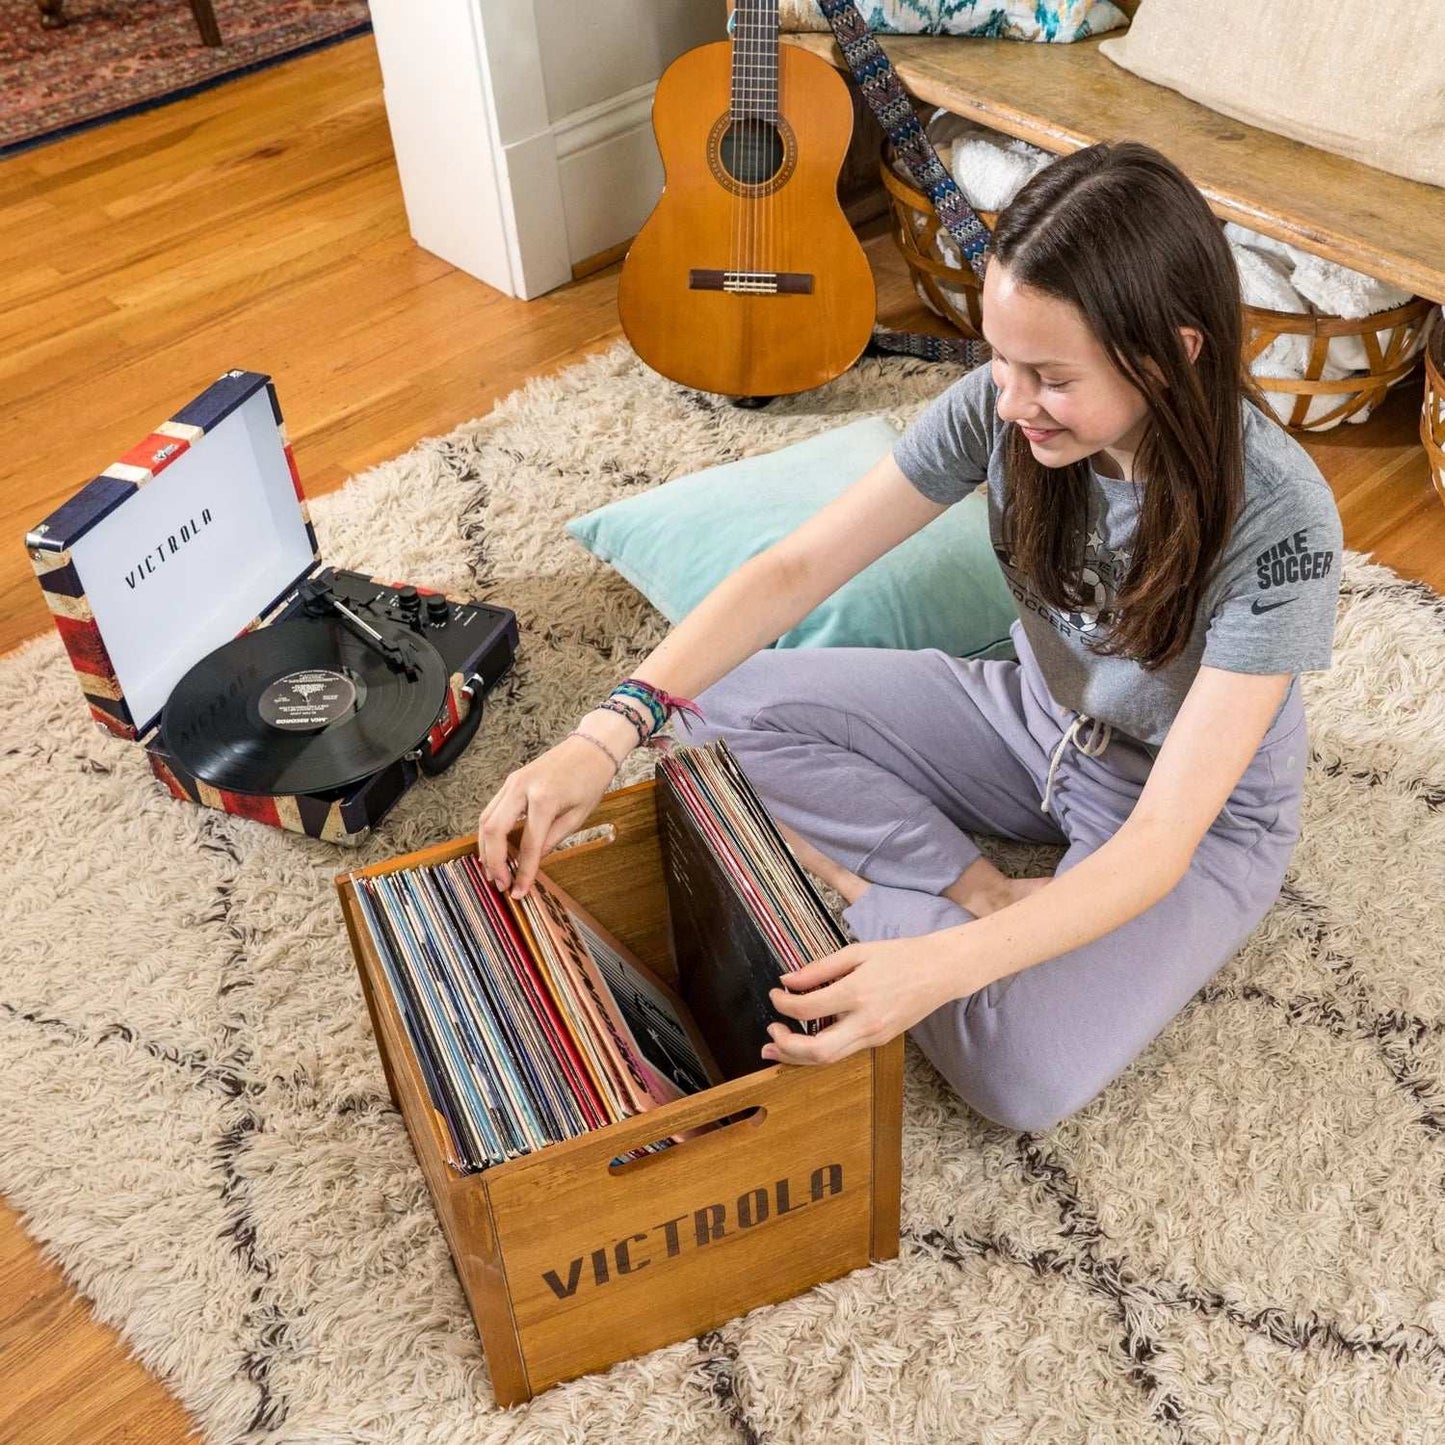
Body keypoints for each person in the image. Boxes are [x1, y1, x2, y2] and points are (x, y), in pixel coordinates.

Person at [477, 141, 1342, 1132]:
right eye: (999, 358)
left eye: (1049, 376)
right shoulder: (1002, 409)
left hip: (1194, 813)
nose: (1008, 401)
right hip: (1029, 718)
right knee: (706, 708)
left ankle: (873, 900)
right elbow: (791, 571)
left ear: (1170, 352)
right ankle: (965, 886)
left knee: (1019, 1075)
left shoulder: (1280, 520)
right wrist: (602, 734)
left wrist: (930, 968)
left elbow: (1154, 845)